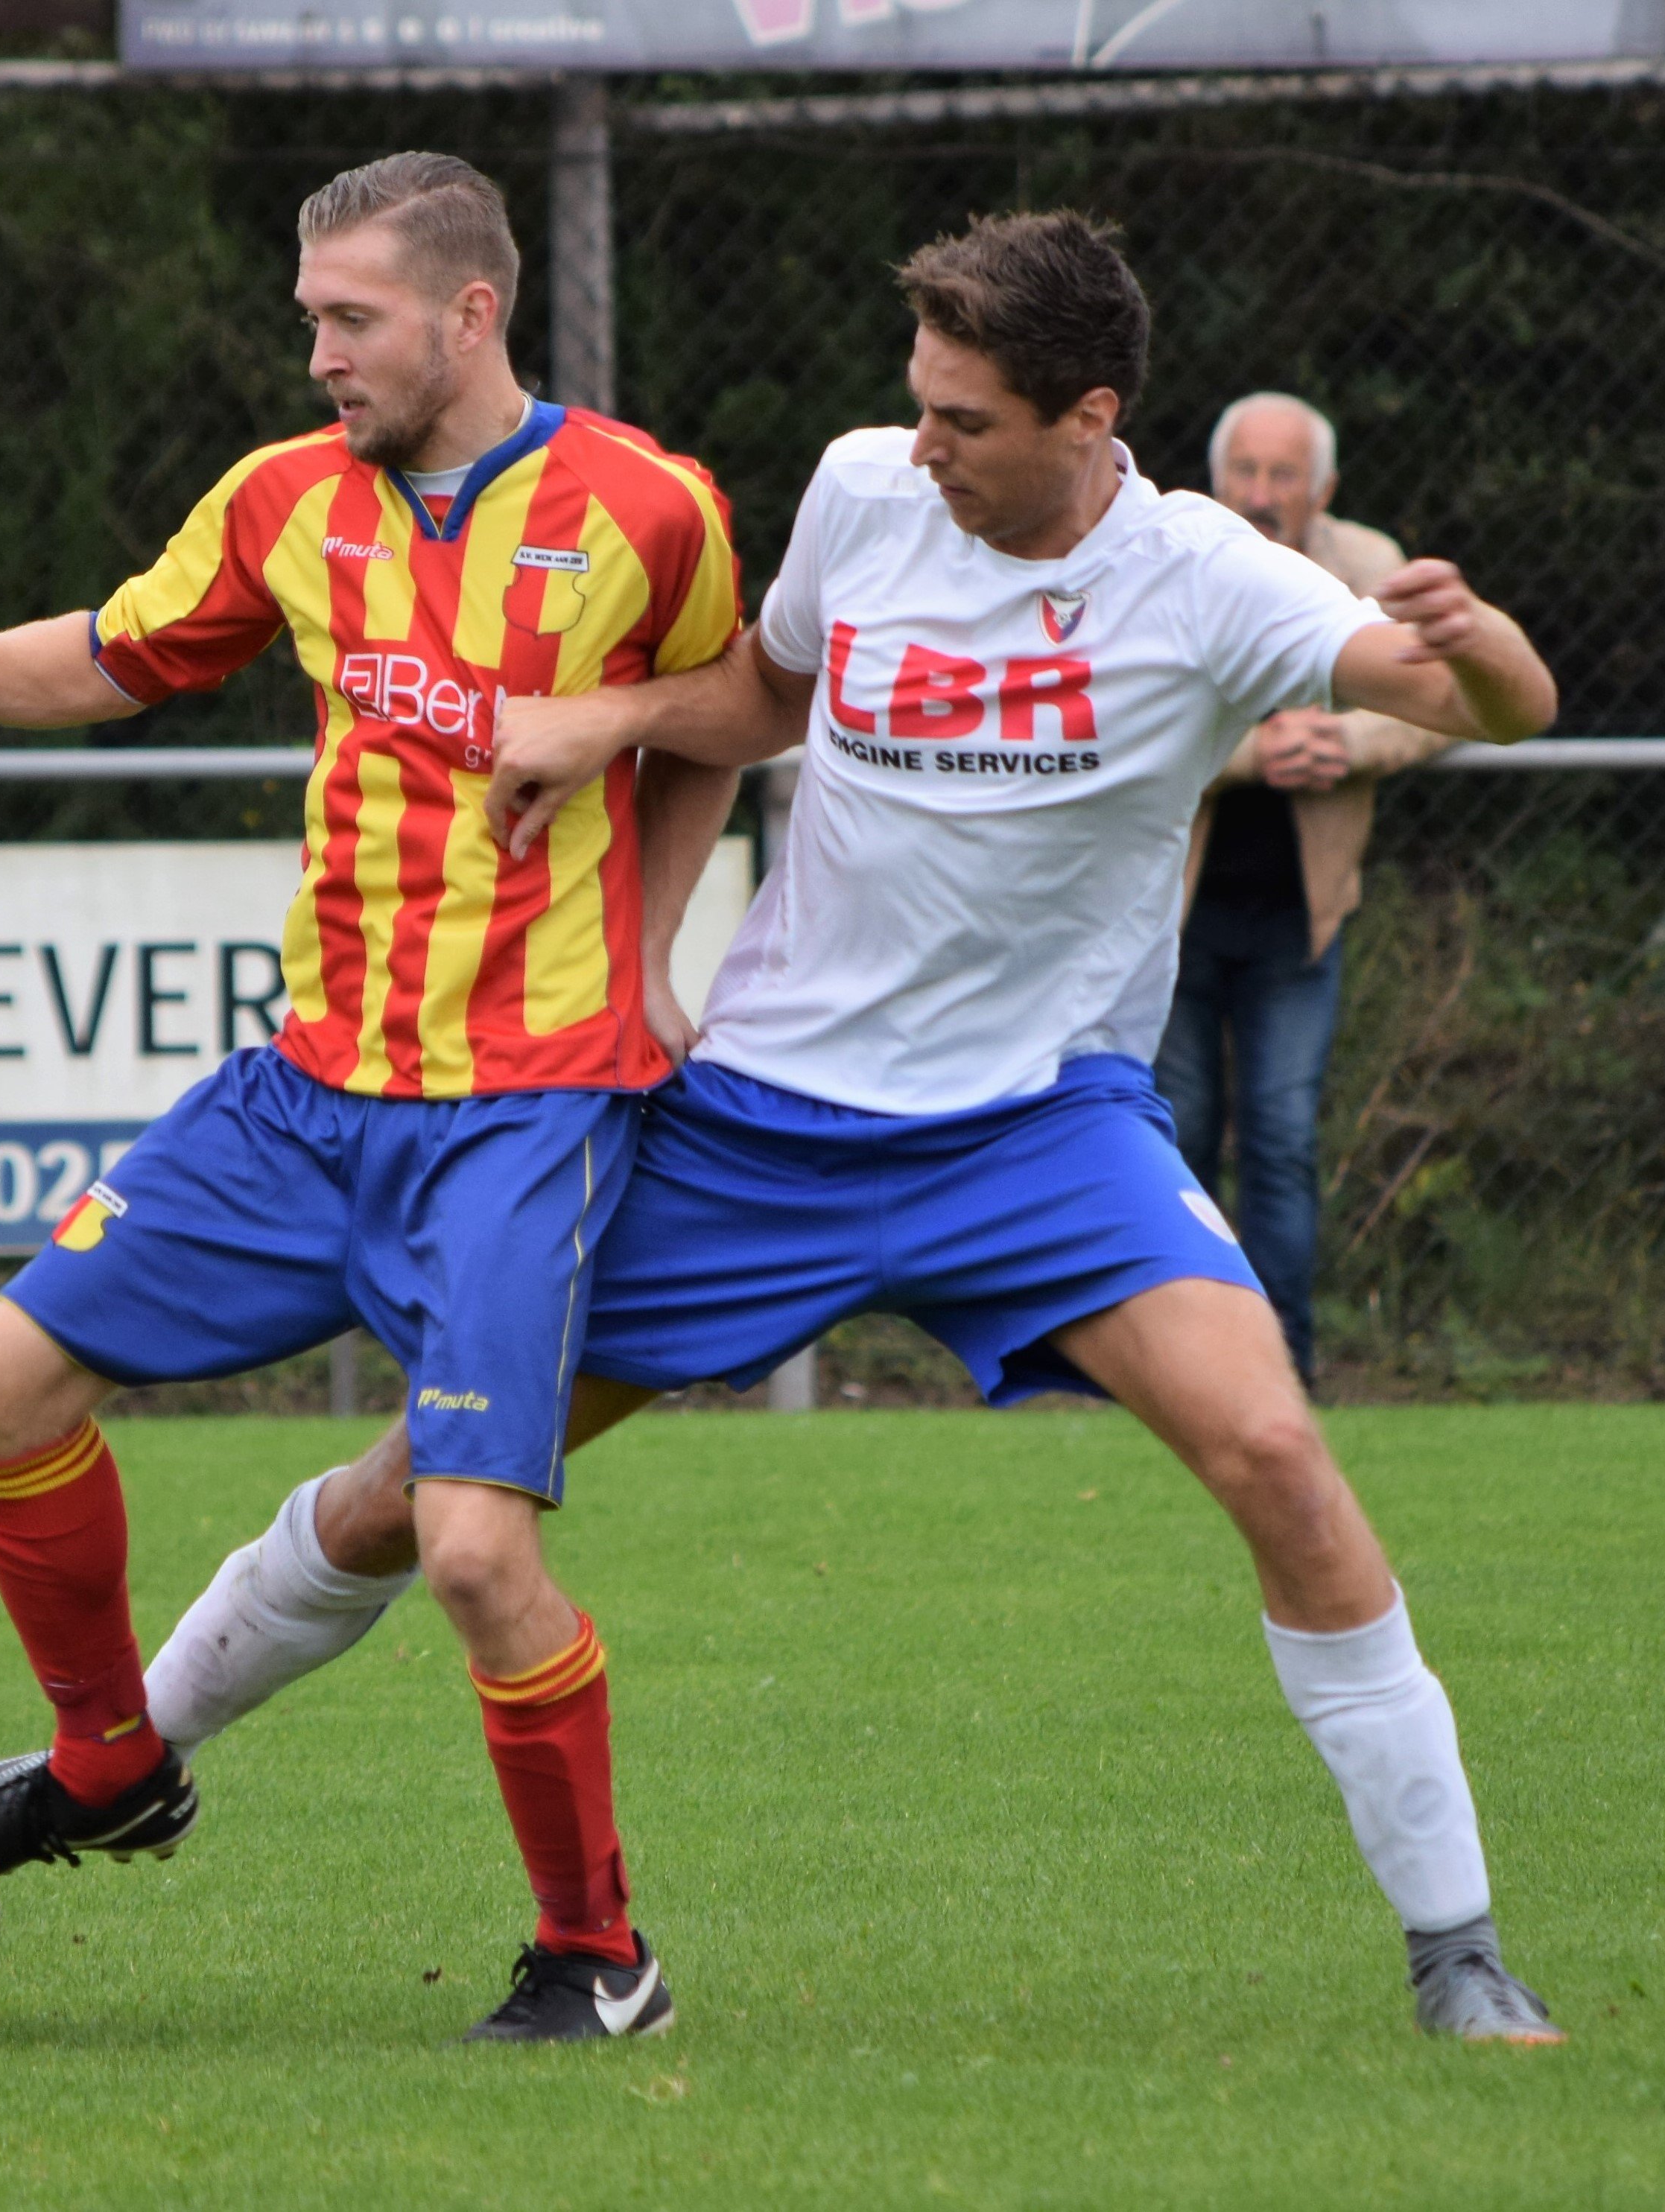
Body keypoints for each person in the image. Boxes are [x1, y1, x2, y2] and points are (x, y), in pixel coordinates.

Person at [143, 212, 1569, 2044]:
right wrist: (617, 718)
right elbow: (764, 689)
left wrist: (1496, 650)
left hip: (1040, 1138)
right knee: (431, 1487)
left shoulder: (1209, 579)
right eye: (915, 404)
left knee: (1279, 1463)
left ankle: (1457, 1954)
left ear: (1088, 416)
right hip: (758, 1124)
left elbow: (1484, 710)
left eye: (962, 419)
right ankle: (113, 1759)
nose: (920, 446)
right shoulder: (862, 492)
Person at [0, 151, 740, 2044]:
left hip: (518, 1112)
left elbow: (737, 705)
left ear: (470, 314)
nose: (315, 354)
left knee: (471, 1549)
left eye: (349, 318)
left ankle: (593, 1955)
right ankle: (108, 1760)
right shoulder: (283, 504)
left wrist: (648, 946)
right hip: (300, 1098)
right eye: (308, 317)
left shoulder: (646, 502)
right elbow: (110, 661)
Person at [1165, 392, 1459, 1384]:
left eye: (1282, 475)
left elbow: (1454, 699)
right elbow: (1117, 730)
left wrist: (1345, 738)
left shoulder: (1370, 569)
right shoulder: (1173, 559)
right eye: (1246, 472)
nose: (1260, 494)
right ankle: (1185, 1370)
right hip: (1172, 921)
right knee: (1180, 1143)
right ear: (1218, 480)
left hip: (1302, 924)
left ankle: (1281, 1374)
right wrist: (1252, 753)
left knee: (1284, 1145)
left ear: (1322, 488)